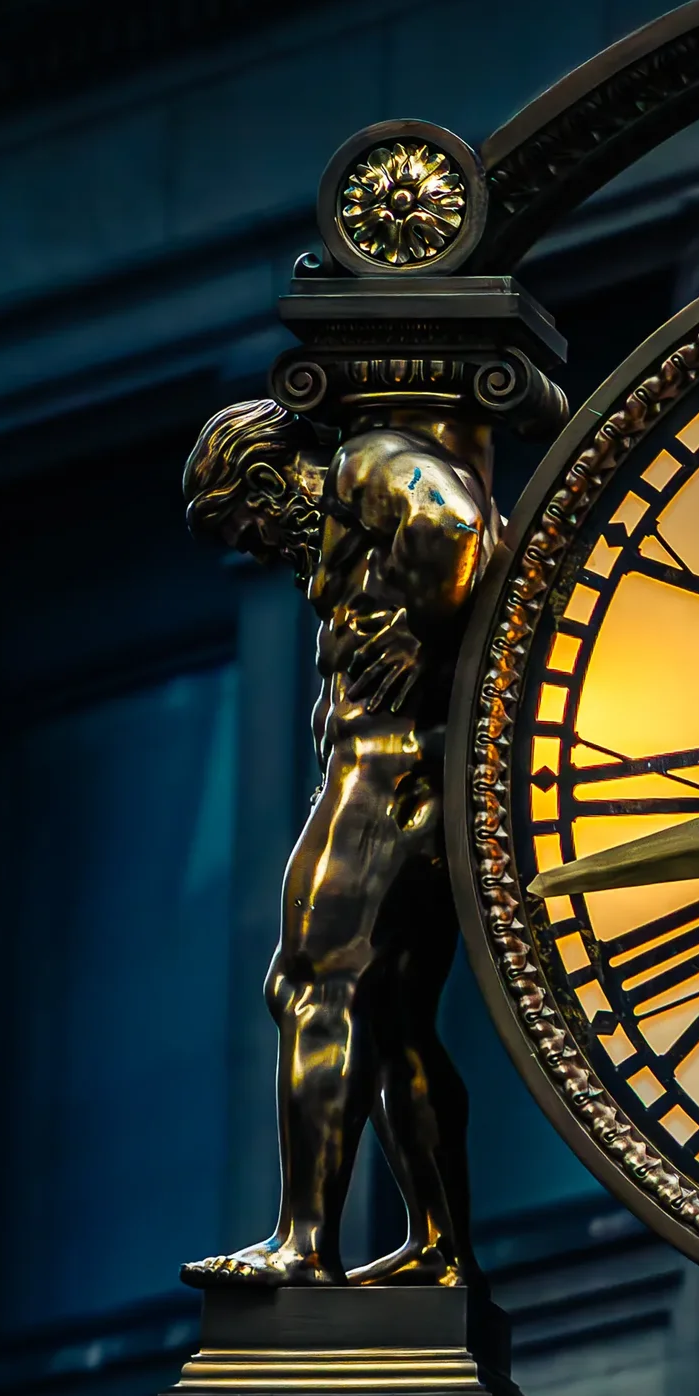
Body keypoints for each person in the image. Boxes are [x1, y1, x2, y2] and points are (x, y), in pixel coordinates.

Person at [177, 398, 496, 1288]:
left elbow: (453, 521)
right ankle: (440, 1247)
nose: (258, 549)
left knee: (311, 982)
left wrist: (421, 633)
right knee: (392, 1018)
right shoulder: (354, 513)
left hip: (386, 775)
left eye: (246, 525)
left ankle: (304, 1242)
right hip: (403, 776)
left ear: (273, 480)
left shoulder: (364, 466)